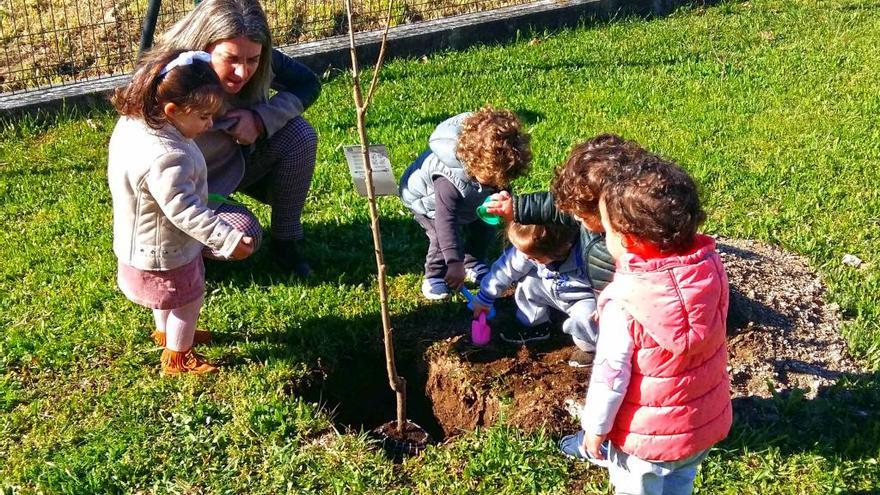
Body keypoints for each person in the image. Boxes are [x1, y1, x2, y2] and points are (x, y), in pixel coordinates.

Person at [559, 152, 732, 495]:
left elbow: (611, 378)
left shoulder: (624, 306)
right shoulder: (709, 269)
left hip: (644, 441)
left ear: (628, 240)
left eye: (607, 230)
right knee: (680, 482)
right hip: (700, 427)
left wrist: (594, 429)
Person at [108, 49, 255, 375]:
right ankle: (178, 356)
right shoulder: (167, 157)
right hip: (168, 252)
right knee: (186, 303)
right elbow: (184, 210)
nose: (209, 124)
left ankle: (166, 334)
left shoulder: (135, 123)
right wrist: (227, 239)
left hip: (140, 244)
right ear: (172, 110)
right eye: (203, 117)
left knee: (169, 302)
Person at [158, 0, 321, 276]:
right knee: (245, 233)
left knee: (300, 135)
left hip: (237, 162)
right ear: (203, 45)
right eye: (231, 59)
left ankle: (286, 242)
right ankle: (182, 253)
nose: (243, 72)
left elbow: (308, 83)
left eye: (253, 60)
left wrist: (259, 119)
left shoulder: (261, 56)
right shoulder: (170, 74)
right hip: (182, 187)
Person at [399, 107, 532, 300]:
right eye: (492, 180)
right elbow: (447, 220)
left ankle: (473, 261)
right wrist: (454, 262)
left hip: (470, 198)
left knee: (485, 224)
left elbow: (498, 186)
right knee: (440, 236)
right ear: (473, 162)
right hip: (430, 205)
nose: (497, 184)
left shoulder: (494, 167)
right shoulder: (447, 180)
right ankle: (435, 275)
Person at [484, 134, 639, 293]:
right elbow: (557, 207)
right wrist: (517, 208)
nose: (576, 216)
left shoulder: (635, 247)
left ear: (608, 213)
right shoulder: (596, 211)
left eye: (583, 215)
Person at [471, 223, 598, 367]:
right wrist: (485, 297)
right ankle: (535, 324)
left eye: (534, 258)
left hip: (582, 298)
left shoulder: (587, 256)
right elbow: (506, 269)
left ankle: (589, 347)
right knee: (529, 283)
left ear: (559, 250)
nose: (527, 258)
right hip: (551, 290)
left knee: (587, 316)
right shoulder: (531, 247)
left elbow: (605, 283)